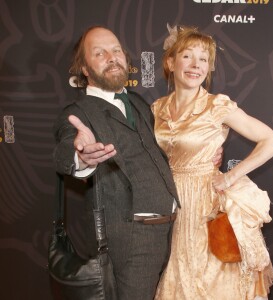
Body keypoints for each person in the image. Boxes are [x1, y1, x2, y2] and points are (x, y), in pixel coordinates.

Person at [53, 25, 222, 300]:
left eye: (116, 50)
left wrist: (207, 150)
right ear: (84, 68)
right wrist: (80, 156)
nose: (112, 56)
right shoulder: (78, 113)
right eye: (100, 53)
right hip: (134, 238)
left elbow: (164, 147)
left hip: (172, 232)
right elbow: (65, 150)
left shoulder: (139, 103)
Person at [152, 25, 273, 300]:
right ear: (170, 62)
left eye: (204, 59)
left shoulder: (217, 106)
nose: (196, 65)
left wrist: (231, 176)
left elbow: (272, 141)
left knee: (212, 282)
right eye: (187, 56)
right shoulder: (156, 109)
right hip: (168, 205)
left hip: (205, 205)